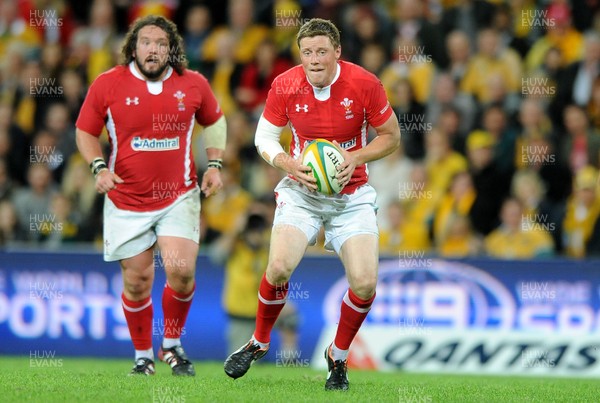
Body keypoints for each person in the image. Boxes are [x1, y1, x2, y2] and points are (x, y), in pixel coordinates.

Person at [223, 18, 400, 391]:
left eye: (322, 52)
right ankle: (259, 341)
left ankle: (337, 354)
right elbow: (265, 137)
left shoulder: (365, 84)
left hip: (351, 196)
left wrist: (357, 158)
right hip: (302, 192)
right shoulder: (285, 84)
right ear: (300, 55)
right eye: (307, 53)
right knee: (278, 267)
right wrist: (289, 164)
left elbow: (392, 137)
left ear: (337, 52)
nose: (314, 60)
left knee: (365, 284)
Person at [75, 15, 226, 376]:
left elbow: (215, 120)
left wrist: (215, 164)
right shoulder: (108, 84)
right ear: (134, 47)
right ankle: (143, 356)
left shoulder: (193, 84)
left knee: (182, 272)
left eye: (161, 43)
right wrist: (99, 168)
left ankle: (171, 345)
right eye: (146, 42)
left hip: (179, 194)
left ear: (171, 49)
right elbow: (85, 131)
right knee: (137, 281)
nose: (153, 49)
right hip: (126, 198)